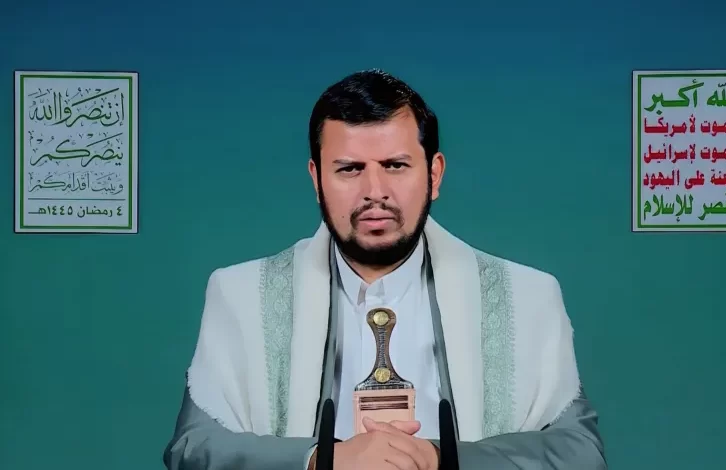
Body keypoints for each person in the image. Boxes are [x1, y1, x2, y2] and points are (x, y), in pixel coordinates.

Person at [163, 69, 607, 470]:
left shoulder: (525, 296)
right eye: (350, 169)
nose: (374, 191)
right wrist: (320, 460)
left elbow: (579, 453)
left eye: (395, 166)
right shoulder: (241, 295)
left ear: (434, 174)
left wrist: (441, 459)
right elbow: (194, 446)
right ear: (316, 179)